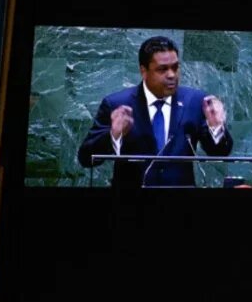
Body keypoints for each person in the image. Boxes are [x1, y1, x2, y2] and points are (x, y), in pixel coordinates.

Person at [77, 36, 234, 188]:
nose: (171, 75)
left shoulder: (195, 102)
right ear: (143, 71)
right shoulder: (117, 103)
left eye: (175, 67)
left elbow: (220, 152)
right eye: (162, 69)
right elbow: (85, 158)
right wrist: (114, 135)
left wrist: (216, 127)